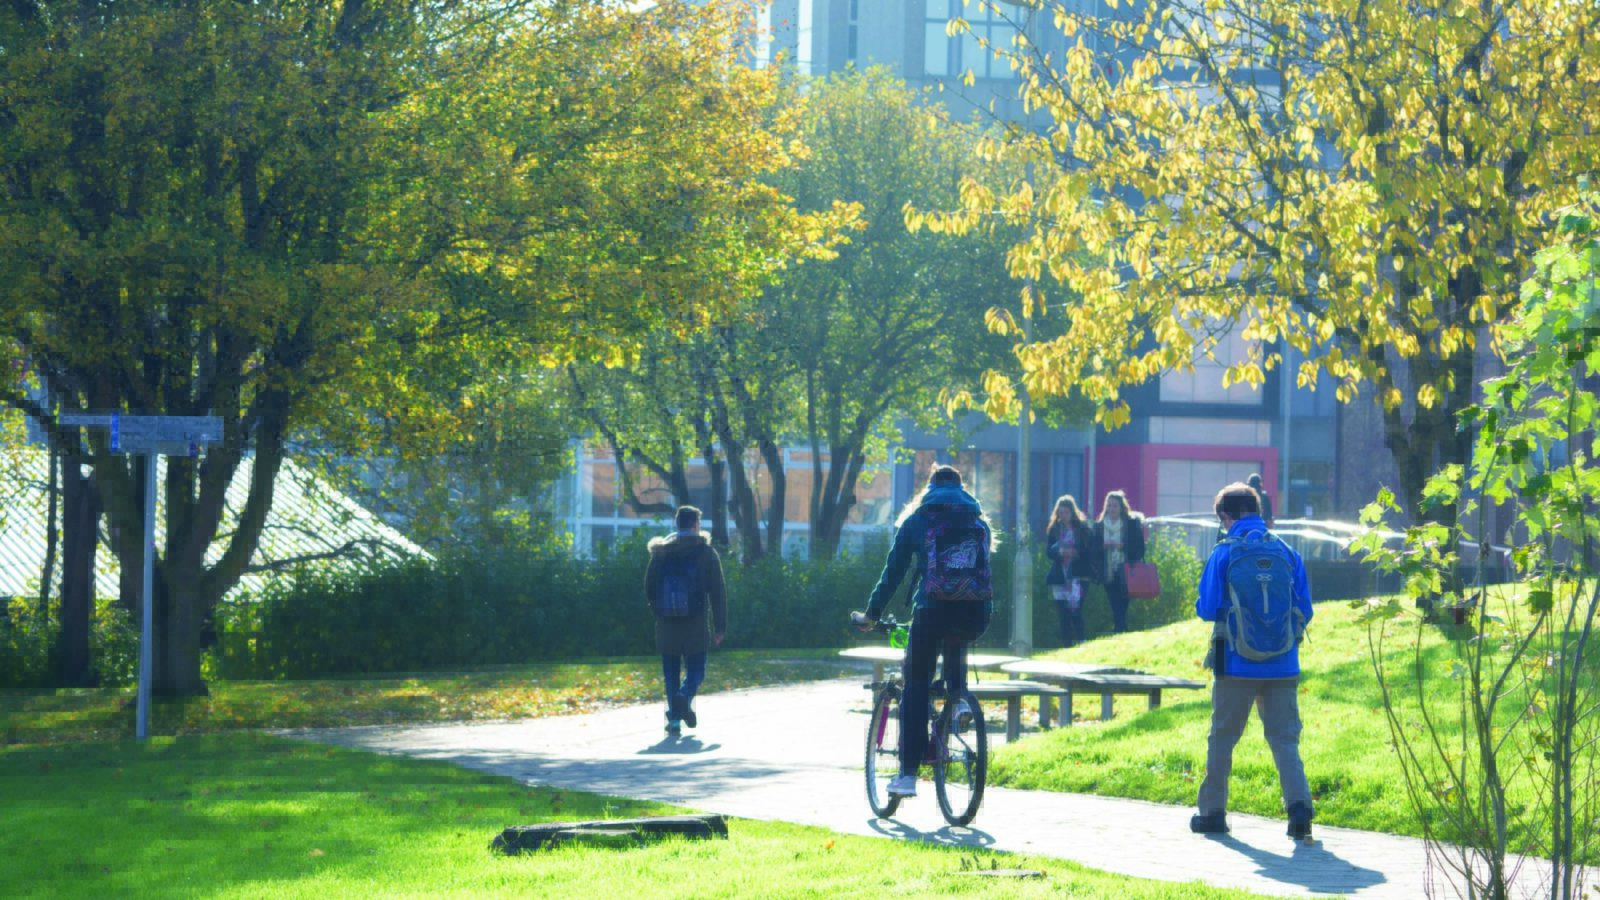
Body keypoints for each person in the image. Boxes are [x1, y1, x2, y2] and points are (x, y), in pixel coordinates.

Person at [853, 464, 994, 799]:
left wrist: (872, 614)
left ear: (929, 488)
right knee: (957, 636)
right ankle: (959, 700)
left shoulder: (918, 520)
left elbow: (893, 573)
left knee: (915, 683)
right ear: (962, 489)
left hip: (931, 610)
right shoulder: (979, 523)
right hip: (977, 614)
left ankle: (907, 776)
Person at [1191, 482, 1315, 839]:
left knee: (1223, 735)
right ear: (1257, 510)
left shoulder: (1224, 552)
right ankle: (1299, 808)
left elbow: (1209, 608)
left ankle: (1213, 813)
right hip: (1283, 661)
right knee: (1284, 739)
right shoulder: (1287, 552)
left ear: (1227, 516)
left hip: (1232, 658)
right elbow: (1305, 609)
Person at [643, 505, 727, 735]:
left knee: (670, 671)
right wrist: (720, 626)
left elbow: (649, 586)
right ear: (696, 525)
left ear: (677, 524)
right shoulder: (706, 553)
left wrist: (658, 611)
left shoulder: (660, 553)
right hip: (696, 623)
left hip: (667, 623)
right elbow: (718, 591)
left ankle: (674, 720)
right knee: (696, 670)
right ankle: (684, 695)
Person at [1044, 494, 1097, 649]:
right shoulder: (1054, 529)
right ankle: (1067, 646)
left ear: (1072, 512)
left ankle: (1081, 643)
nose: (1063, 516)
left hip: (1078, 576)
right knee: (1063, 614)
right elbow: (1049, 552)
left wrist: (1075, 553)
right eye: (1060, 513)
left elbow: (1089, 551)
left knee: (1076, 611)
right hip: (1060, 577)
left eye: (1066, 512)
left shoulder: (1082, 529)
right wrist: (1059, 553)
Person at [1094, 489, 1146, 634]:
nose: (1111, 509)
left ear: (1122, 507)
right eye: (1109, 506)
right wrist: (1102, 547)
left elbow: (1140, 549)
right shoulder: (1099, 526)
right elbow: (1093, 550)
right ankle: (1120, 628)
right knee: (1113, 601)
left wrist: (1123, 546)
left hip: (1126, 569)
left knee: (1123, 602)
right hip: (1107, 570)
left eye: (1115, 506)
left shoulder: (1131, 524)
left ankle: (1120, 629)